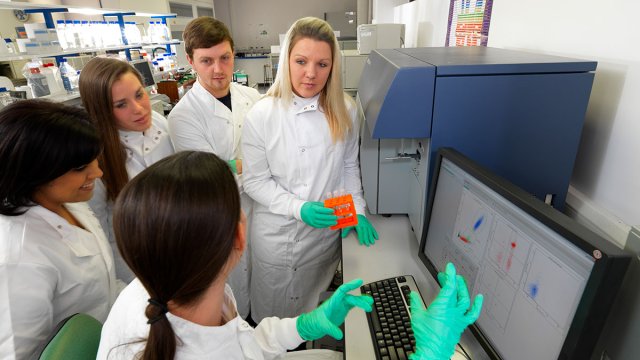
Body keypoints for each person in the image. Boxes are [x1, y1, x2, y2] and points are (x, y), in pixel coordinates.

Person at [97, 151, 483, 359]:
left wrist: (306, 325)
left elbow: (242, 342)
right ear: (240, 234)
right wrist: (431, 356)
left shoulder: (157, 291)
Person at [242, 17, 378, 322]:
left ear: (333, 67)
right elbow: (255, 182)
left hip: (322, 240)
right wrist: (298, 208)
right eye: (301, 61)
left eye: (322, 64)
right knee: (271, 324)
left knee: (315, 317)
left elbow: (348, 167)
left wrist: (357, 210)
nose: (310, 74)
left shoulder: (346, 109)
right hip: (275, 238)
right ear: (286, 60)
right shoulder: (262, 115)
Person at [0, 100, 120, 359]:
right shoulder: (18, 257)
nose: (97, 172)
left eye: (94, 161)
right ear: (35, 170)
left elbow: (103, 285)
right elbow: (18, 353)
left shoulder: (67, 202)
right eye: (80, 168)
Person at [168, 16, 261, 319]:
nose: (218, 69)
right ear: (190, 61)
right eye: (206, 61)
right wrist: (252, 163)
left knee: (264, 285)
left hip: (261, 207)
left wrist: (238, 165)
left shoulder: (252, 97)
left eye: (225, 58)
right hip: (219, 218)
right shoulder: (183, 117)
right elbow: (210, 175)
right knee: (233, 299)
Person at [79, 56, 175, 283]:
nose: (139, 109)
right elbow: (98, 228)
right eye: (121, 104)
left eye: (139, 94)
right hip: (132, 262)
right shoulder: (96, 157)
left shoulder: (159, 124)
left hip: (174, 241)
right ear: (101, 110)